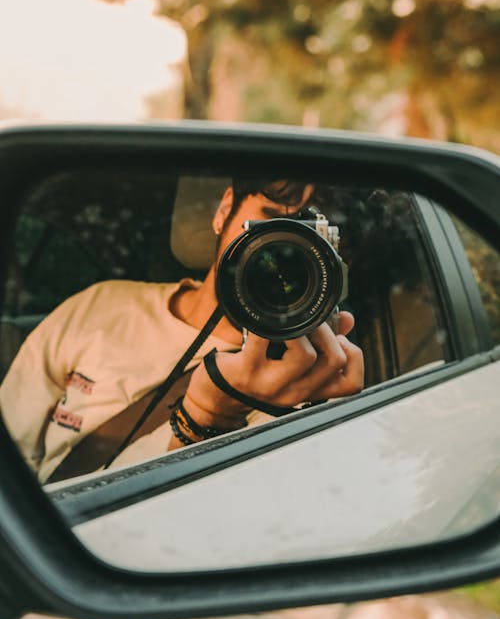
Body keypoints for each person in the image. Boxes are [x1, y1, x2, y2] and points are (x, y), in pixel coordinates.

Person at [0, 178, 364, 483]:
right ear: (224, 212)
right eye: (268, 223)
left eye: (309, 241)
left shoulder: (317, 385)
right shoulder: (102, 304)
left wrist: (215, 417)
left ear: (335, 264)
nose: (282, 253)